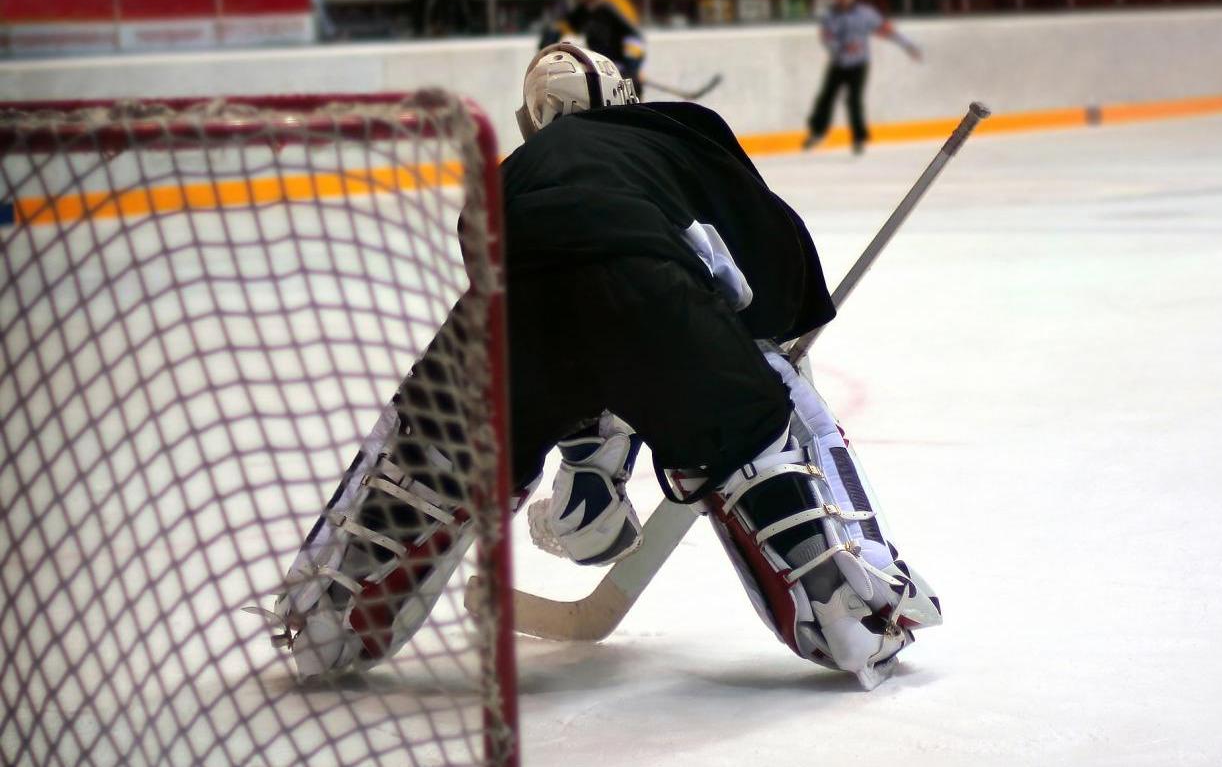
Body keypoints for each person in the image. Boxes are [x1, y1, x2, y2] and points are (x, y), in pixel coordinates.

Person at [268, 44, 941, 689]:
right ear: (627, 97)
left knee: (432, 459)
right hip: (648, 298)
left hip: (509, 320)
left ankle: (330, 617)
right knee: (763, 420)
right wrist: (773, 333)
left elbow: (493, 260)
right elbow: (766, 237)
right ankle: (850, 609)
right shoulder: (678, 131)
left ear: (533, 120)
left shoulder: (510, 172)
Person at [804, 0, 922, 156]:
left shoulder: (865, 14)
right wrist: (841, 47)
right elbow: (826, 38)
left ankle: (859, 138)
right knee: (826, 97)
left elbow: (887, 30)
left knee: (854, 100)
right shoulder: (830, 16)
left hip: (859, 64)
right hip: (838, 63)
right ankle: (817, 131)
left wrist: (908, 45)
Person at [542, 0, 647, 92]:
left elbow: (635, 39)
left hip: (621, 75)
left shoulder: (616, 5)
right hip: (600, 72)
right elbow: (559, 29)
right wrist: (547, 51)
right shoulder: (582, 8)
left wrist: (631, 69)